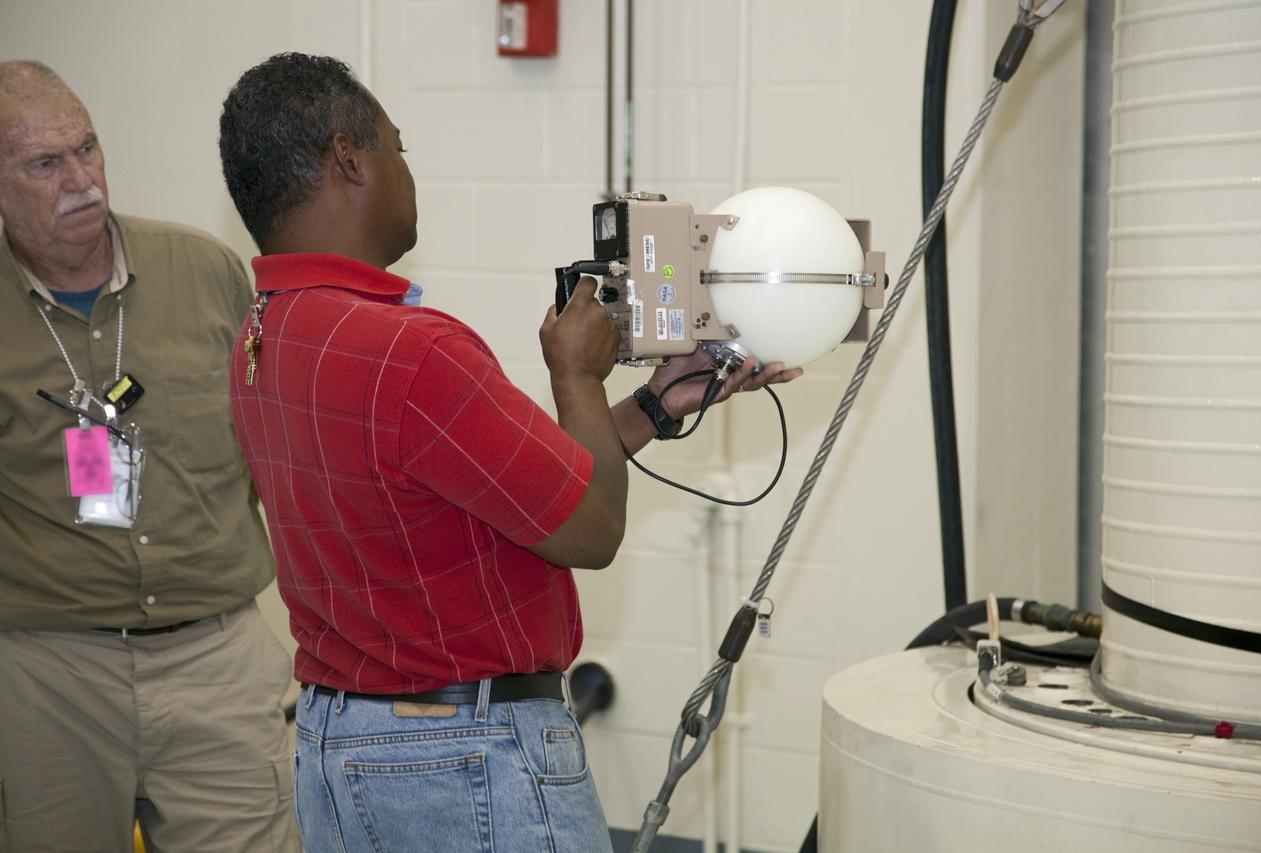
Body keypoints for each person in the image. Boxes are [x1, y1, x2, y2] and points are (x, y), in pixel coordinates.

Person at [218, 52, 800, 852]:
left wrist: (652, 408)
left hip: (340, 744)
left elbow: (518, 491)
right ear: (349, 158)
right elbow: (590, 531)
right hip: (460, 758)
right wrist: (577, 373)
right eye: (398, 147)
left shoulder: (263, 335)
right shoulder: (411, 351)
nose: (406, 171)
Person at [0, 61, 297, 852]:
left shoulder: (203, 271)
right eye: (43, 163)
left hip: (219, 655)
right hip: (47, 671)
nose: (81, 180)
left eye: (87, 149)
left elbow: (279, 451)